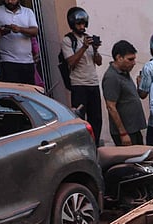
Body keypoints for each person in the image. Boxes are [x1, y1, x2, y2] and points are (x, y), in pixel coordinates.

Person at [62, 7, 102, 144]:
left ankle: (95, 145)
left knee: (96, 119)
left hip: (93, 83)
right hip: (79, 85)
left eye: (84, 24)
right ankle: (82, 145)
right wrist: (84, 47)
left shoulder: (88, 38)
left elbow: (99, 62)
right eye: (79, 24)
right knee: (79, 119)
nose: (82, 27)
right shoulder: (68, 40)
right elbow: (71, 62)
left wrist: (95, 49)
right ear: (72, 24)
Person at [102, 40, 145, 146]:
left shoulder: (124, 72)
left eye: (134, 59)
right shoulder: (111, 77)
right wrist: (123, 133)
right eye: (130, 59)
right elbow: (111, 107)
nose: (134, 63)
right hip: (125, 132)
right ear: (119, 58)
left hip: (133, 129)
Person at [0, 0, 38, 84]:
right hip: (7, 61)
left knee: (29, 89)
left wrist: (20, 29)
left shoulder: (28, 12)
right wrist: (1, 32)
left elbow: (35, 31)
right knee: (12, 89)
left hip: (28, 61)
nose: (9, 1)